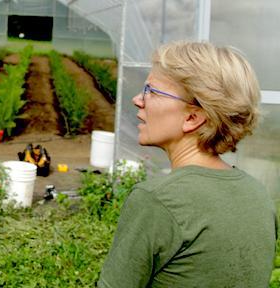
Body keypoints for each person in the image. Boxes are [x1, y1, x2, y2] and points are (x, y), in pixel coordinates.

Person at [98, 41, 277, 287]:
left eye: (152, 90)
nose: (138, 99)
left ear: (192, 118)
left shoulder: (157, 200)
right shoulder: (258, 195)